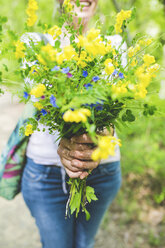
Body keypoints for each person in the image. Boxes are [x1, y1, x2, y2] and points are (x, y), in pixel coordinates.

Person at [21, 0, 125, 247]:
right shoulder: (34, 43)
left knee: (84, 244)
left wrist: (94, 142)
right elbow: (43, 106)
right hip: (45, 174)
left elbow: (114, 110)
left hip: (104, 171)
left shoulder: (115, 44)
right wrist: (67, 144)